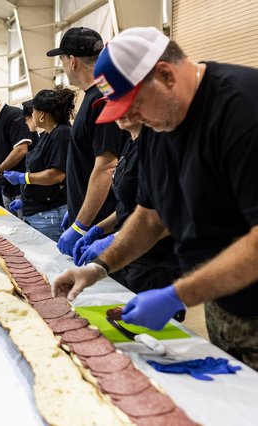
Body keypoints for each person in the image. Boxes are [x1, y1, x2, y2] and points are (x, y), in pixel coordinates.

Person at [52, 27, 258, 369]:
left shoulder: (243, 111)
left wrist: (177, 295)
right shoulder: (157, 127)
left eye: (132, 104)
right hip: (224, 302)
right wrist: (100, 267)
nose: (127, 118)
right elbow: (150, 215)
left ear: (164, 75)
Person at [71, 116, 181, 293]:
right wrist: (98, 229)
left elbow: (167, 216)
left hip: (154, 261)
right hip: (126, 253)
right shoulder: (130, 144)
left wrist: (115, 239)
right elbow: (129, 205)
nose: (119, 114)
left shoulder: (158, 147)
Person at [46, 27, 128, 256]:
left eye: (61, 60)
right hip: (91, 217)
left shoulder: (102, 99)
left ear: (72, 61)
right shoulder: (92, 96)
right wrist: (75, 208)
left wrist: (81, 224)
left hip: (99, 226)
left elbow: (105, 167)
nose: (62, 66)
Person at [3, 88, 75, 241]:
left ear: (42, 114)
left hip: (49, 214)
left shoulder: (61, 134)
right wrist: (26, 199)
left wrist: (24, 178)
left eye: (33, 111)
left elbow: (56, 175)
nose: (31, 115)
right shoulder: (48, 134)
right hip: (37, 211)